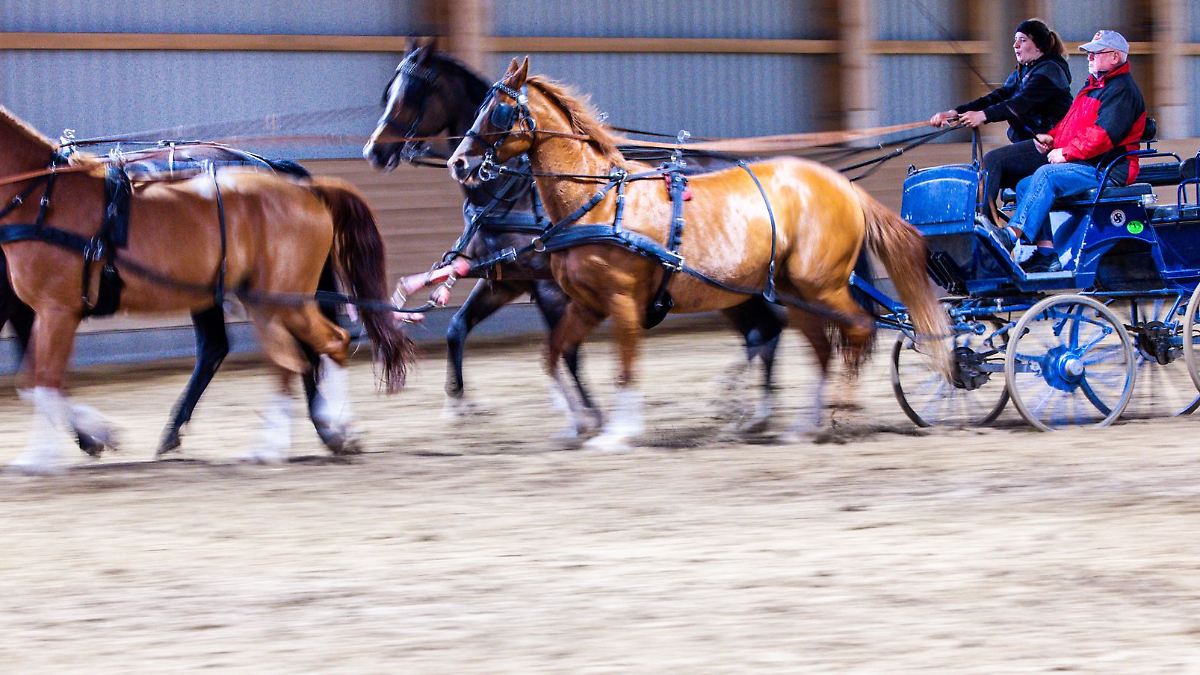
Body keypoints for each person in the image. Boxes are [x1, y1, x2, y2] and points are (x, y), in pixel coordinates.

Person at [996, 29, 1147, 273]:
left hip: (1107, 169)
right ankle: (1046, 252)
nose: (1089, 58)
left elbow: (1103, 136)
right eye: (1089, 54)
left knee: (1046, 174)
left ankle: (1010, 234)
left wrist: (1066, 154)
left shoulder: (1122, 91)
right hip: (1089, 164)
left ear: (1115, 57)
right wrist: (1052, 139)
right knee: (1025, 185)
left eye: (1096, 54)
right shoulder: (1094, 87)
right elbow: (1072, 125)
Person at [930, 19, 1072, 221]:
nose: (1015, 46)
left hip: (1051, 146)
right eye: (1015, 40)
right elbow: (998, 96)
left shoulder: (1050, 71)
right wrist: (955, 113)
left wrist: (982, 116)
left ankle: (982, 224)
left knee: (993, 161)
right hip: (1032, 144)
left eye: (1022, 40)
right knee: (984, 173)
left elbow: (1019, 104)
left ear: (1038, 45)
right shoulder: (1024, 71)